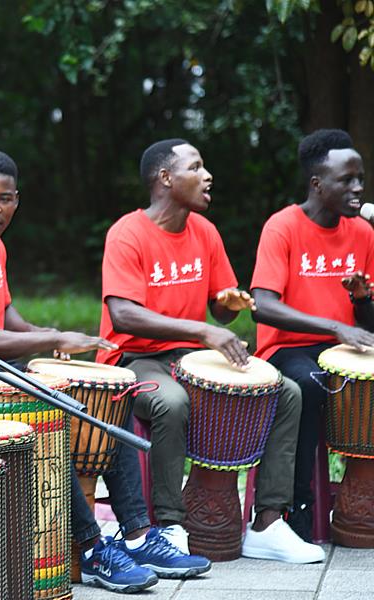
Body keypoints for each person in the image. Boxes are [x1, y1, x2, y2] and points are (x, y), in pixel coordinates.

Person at [0, 149, 211, 593]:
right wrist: (53, 340)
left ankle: (138, 534)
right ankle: (90, 548)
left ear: (16, 201)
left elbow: (6, 318)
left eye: (4, 199)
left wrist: (51, 334)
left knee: (96, 406)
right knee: (51, 420)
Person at [98, 138, 325, 563]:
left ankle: (268, 523)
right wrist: (203, 330)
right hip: (134, 360)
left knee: (286, 392)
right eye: (196, 167)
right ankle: (167, 527)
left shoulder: (205, 231)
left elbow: (220, 312)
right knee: (170, 402)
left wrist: (227, 305)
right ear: (166, 178)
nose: (208, 176)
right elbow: (124, 314)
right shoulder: (127, 234)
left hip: (189, 357)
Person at [250, 128, 374, 541]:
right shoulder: (282, 226)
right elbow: (263, 304)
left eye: (360, 178)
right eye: (347, 180)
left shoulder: (363, 233)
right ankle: (295, 515)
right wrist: (335, 325)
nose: (358, 188)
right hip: (288, 350)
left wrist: (360, 302)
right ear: (318, 185)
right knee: (307, 384)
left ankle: (361, 506)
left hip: (345, 347)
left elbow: (367, 325)